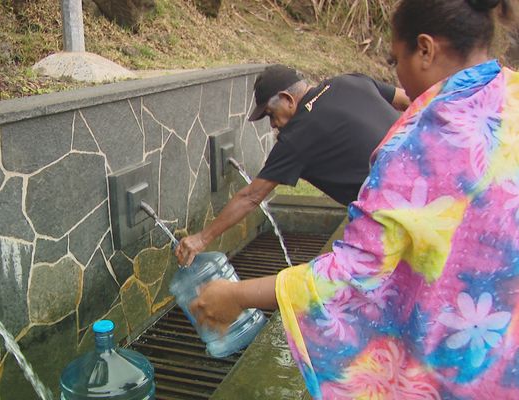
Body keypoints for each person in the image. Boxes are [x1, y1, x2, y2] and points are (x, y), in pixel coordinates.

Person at [189, 0, 519, 398]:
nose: (274, 127)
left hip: (470, 369)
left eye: (398, 58)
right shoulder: (507, 93)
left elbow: (351, 272)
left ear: (426, 50)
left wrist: (235, 294)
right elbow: (404, 98)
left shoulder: (410, 149)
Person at [176, 64, 409, 266]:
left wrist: (201, 239)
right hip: (429, 180)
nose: (273, 125)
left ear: (287, 100)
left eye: (270, 114)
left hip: (399, 216)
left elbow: (250, 197)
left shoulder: (298, 135)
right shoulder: (349, 81)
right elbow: (408, 99)